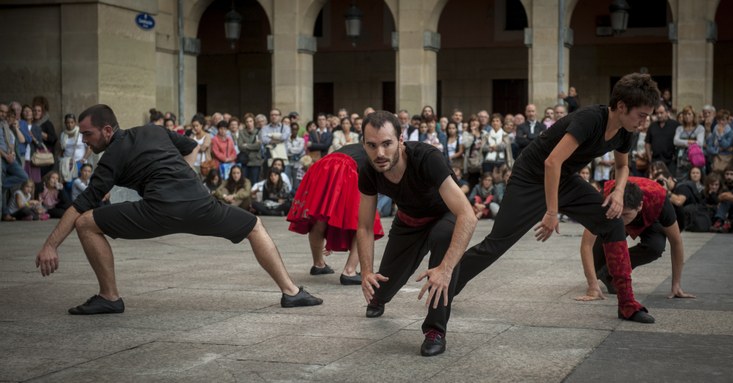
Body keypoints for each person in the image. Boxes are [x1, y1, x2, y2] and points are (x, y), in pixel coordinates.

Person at [34, 104, 322, 315]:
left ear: (108, 130)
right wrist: (187, 173)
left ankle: (109, 297)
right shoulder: (154, 130)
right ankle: (292, 292)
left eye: (88, 134)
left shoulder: (110, 158)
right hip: (200, 203)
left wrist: (50, 245)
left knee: (86, 222)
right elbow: (191, 146)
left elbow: (80, 205)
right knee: (254, 225)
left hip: (157, 212)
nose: (85, 140)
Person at [454, 73, 661, 324]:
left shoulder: (625, 131)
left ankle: (627, 303)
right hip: (530, 178)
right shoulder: (589, 119)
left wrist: (618, 192)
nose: (643, 122)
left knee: (612, 219)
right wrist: (551, 213)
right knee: (496, 244)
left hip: (564, 178)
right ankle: (446, 284)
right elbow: (552, 161)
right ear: (621, 106)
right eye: (641, 115)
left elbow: (622, 167)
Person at [357, 111, 478, 357]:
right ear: (364, 145)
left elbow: (468, 215)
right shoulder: (368, 170)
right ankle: (380, 298)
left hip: (445, 216)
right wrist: (367, 271)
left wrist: (445, 269)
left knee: (444, 239)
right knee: (382, 284)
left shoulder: (427, 158)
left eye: (387, 144)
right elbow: (365, 226)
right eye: (372, 145)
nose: (379, 153)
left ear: (401, 140)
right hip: (409, 220)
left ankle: (435, 330)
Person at [574, 178, 695, 301]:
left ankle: (611, 271)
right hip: (610, 214)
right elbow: (586, 244)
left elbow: (676, 242)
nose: (620, 220)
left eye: (625, 215)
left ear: (640, 206)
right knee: (595, 268)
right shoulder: (604, 200)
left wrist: (676, 284)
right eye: (618, 213)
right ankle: (609, 273)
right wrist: (592, 285)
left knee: (655, 247)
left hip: (649, 217)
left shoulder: (659, 200)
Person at [287, 143, 385, 285]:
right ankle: (350, 271)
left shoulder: (361, 145)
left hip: (322, 166)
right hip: (344, 169)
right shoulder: (382, 151)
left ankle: (318, 264)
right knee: (366, 222)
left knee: (319, 219)